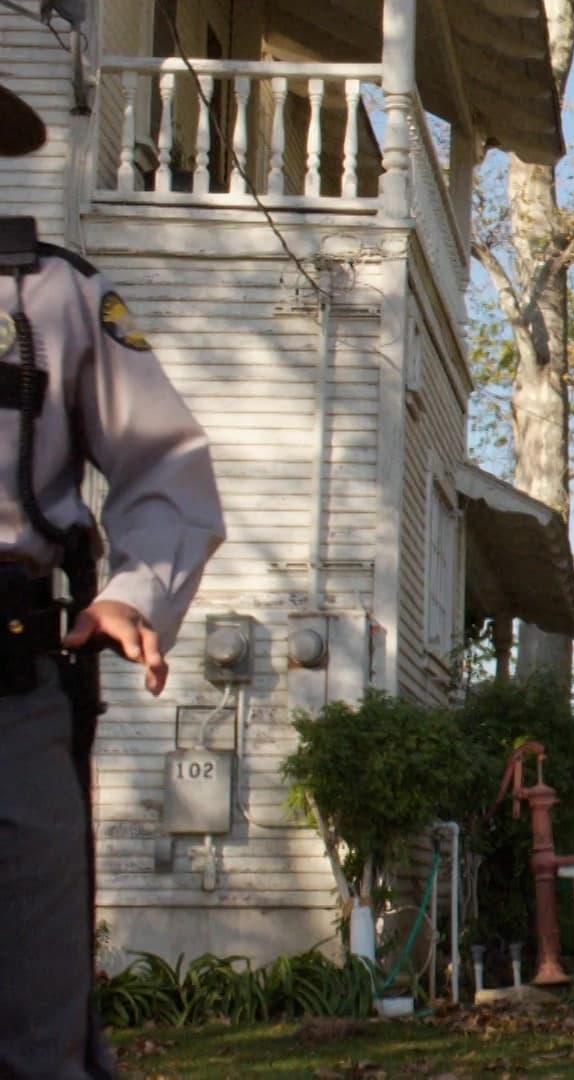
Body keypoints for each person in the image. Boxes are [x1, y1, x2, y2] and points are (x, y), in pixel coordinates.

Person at [0, 82, 226, 1078]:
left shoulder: (52, 296)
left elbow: (167, 468)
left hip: (11, 686)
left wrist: (133, 592)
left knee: (35, 1009)